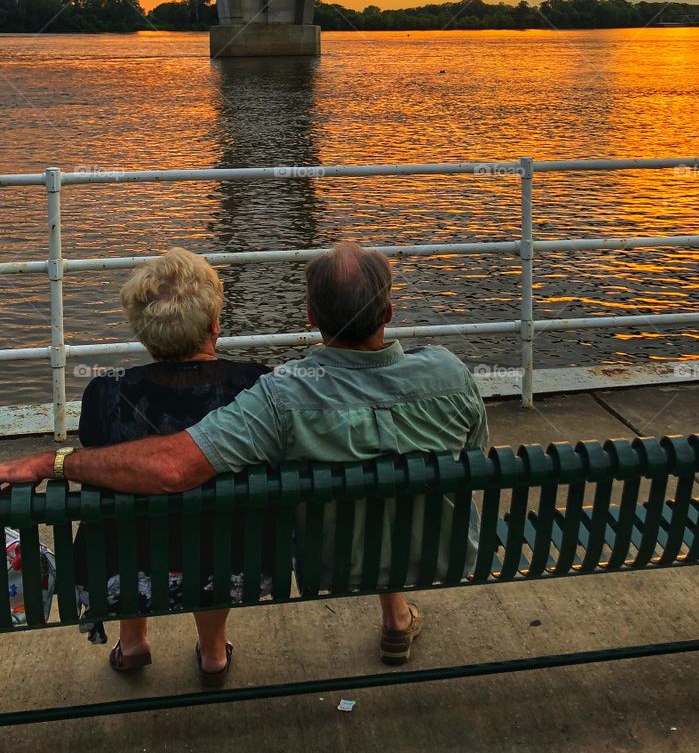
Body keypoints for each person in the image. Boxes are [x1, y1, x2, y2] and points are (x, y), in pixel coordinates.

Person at [1, 242, 489, 668]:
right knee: (383, 485)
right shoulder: (453, 376)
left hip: (329, 564)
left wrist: (52, 462)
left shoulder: (284, 397)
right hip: (442, 554)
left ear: (312, 317)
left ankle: (134, 644)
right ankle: (392, 616)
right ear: (388, 313)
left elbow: (173, 467)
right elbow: (473, 462)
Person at [73, 248, 269, 686]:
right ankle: (214, 654)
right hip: (235, 564)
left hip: (125, 571)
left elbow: (107, 467)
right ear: (215, 325)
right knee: (216, 533)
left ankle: (135, 640)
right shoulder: (257, 385)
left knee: (126, 512)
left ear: (145, 335)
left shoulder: (105, 395)